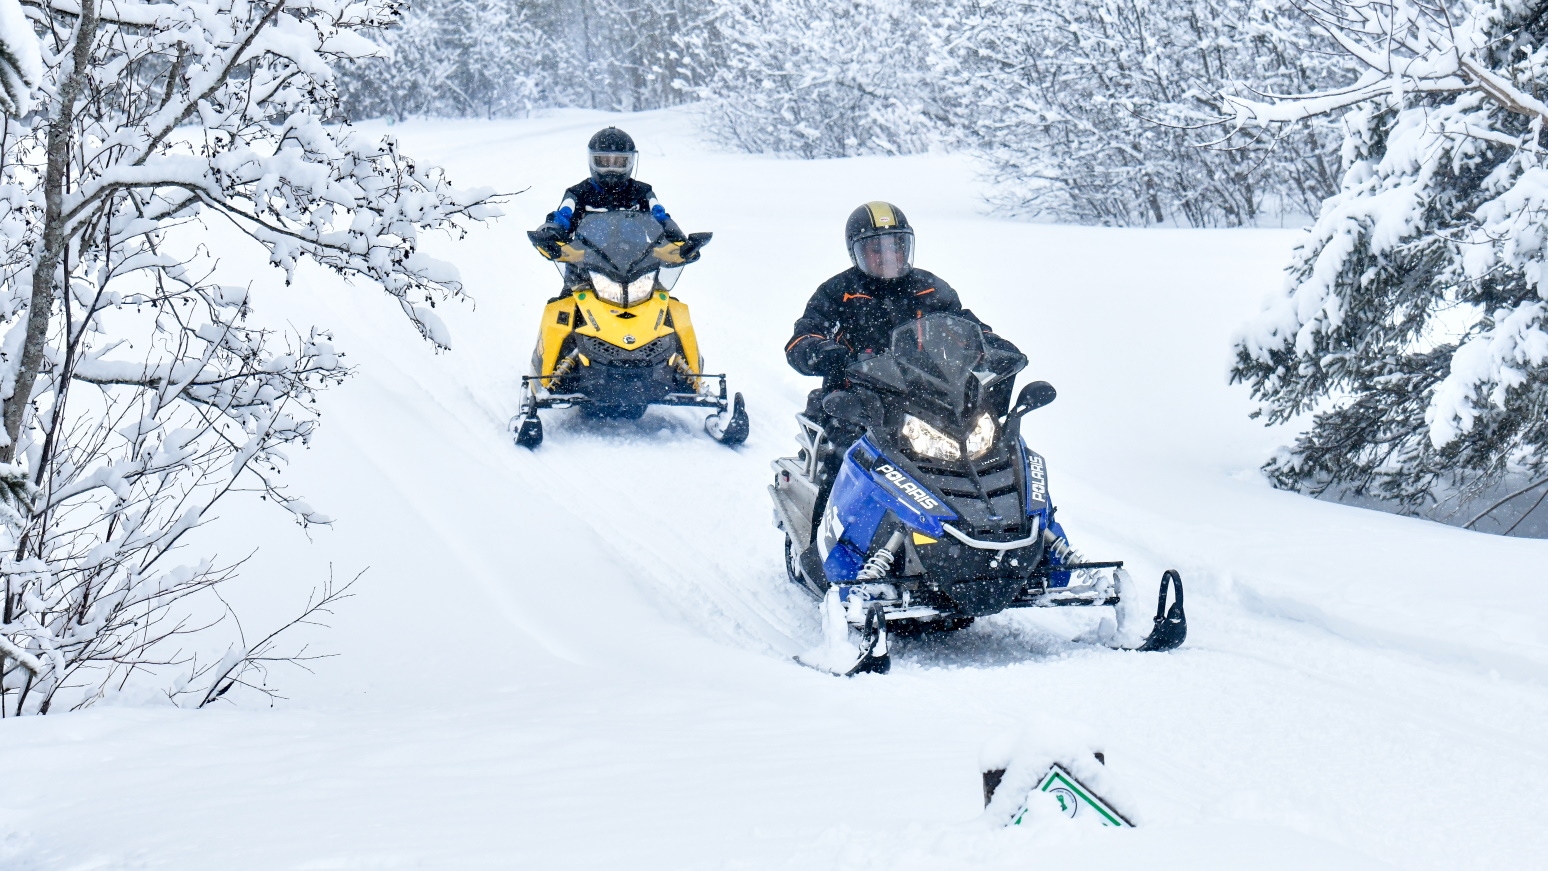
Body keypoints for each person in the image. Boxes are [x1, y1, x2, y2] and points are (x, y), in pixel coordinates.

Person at [785, 201, 997, 438]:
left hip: (927, 399)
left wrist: (991, 344)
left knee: (984, 443)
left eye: (895, 246)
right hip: (857, 402)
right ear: (857, 252)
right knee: (845, 450)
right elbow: (803, 337)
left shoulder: (930, 290)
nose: (888, 256)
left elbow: (963, 325)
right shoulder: (838, 293)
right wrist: (823, 353)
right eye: (876, 249)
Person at [530, 127, 686, 295]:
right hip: (584, 272)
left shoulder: (641, 193)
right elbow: (563, 216)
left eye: (619, 163)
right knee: (560, 313)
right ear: (592, 161)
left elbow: (659, 217)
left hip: (639, 271)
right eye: (604, 162)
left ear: (630, 162)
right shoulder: (578, 194)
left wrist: (677, 238)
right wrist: (551, 232)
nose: (611, 169)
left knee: (667, 312)